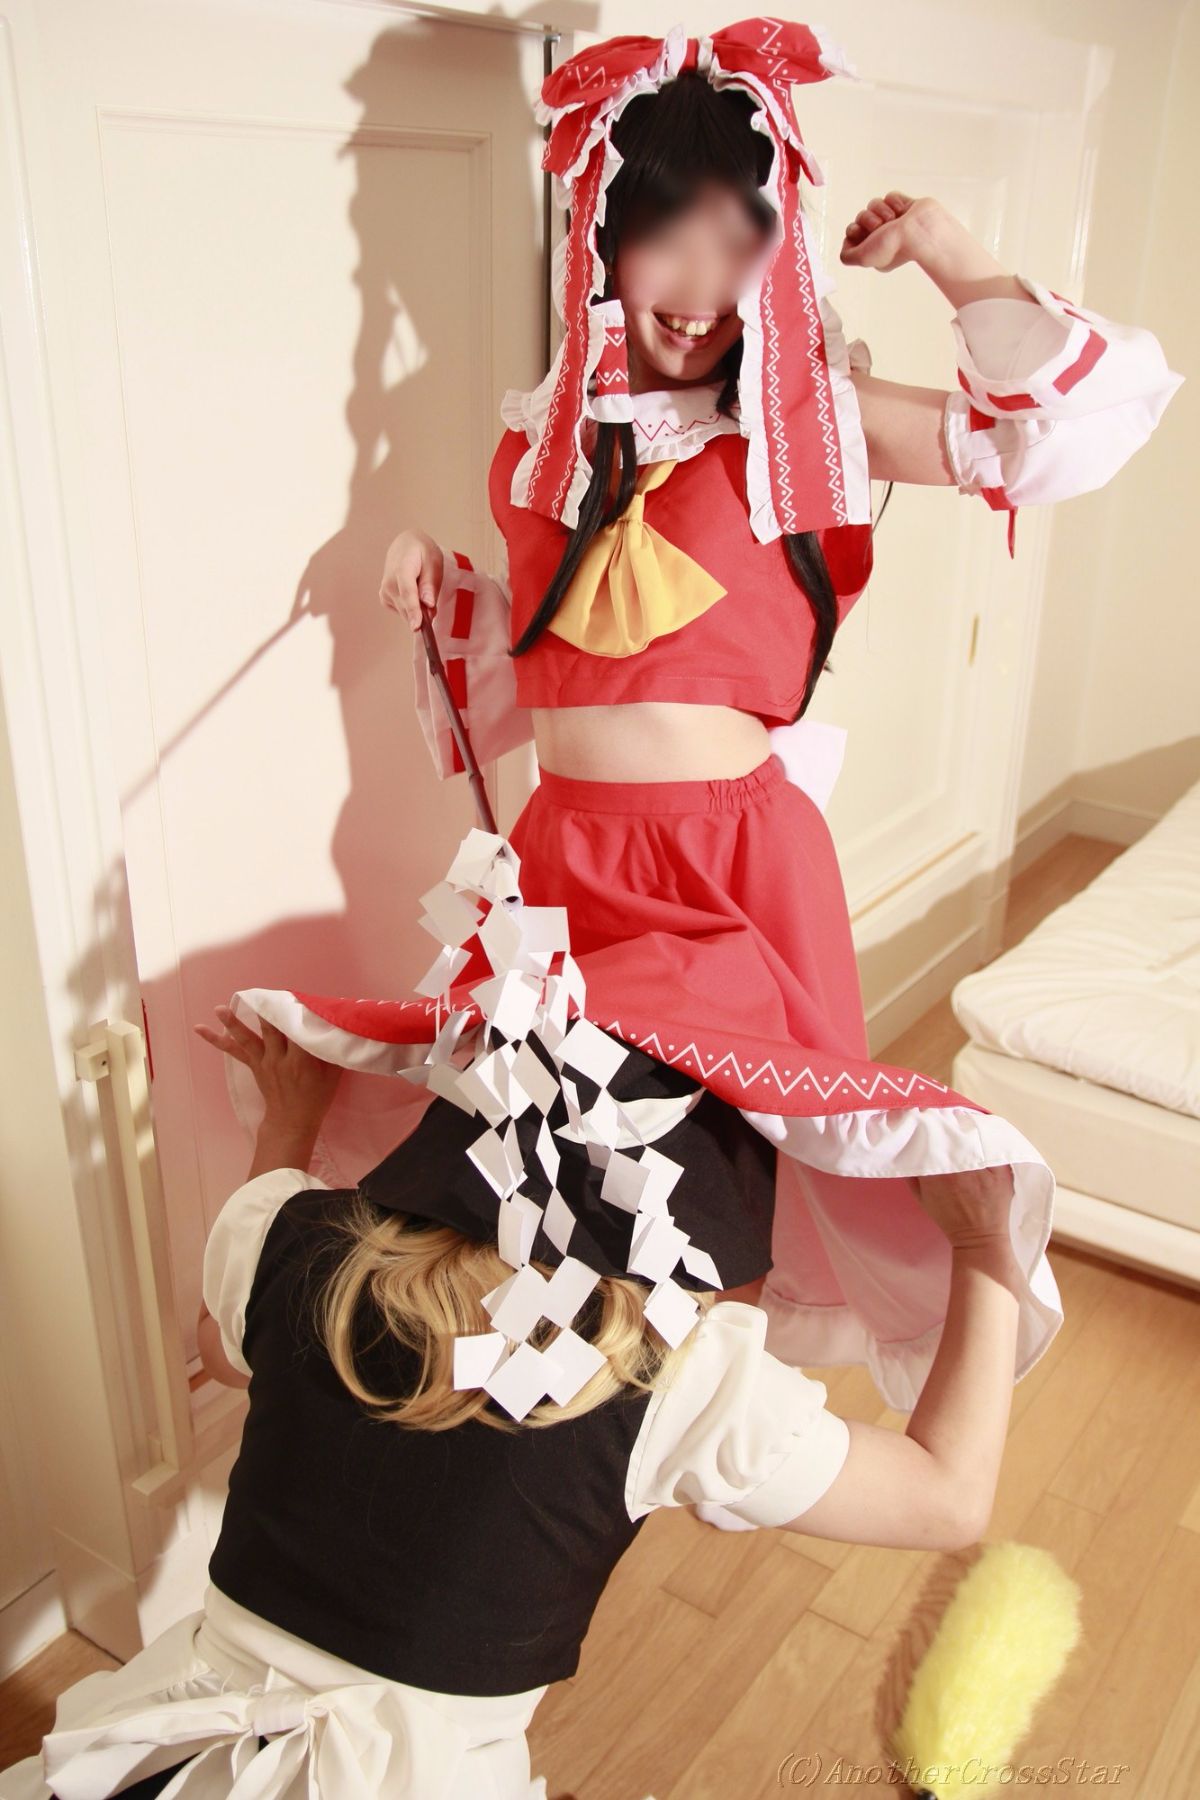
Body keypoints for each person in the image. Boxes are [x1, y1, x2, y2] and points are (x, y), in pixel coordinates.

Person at [219, 19, 1182, 1438]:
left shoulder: (811, 423)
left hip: (727, 871)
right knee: (539, 1163)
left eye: (738, 241)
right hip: (563, 858)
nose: (696, 285)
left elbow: (1054, 435)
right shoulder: (542, 441)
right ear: (600, 243)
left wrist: (947, 247)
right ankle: (565, 1438)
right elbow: (569, 655)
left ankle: (690, 1439)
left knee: (711, 1180)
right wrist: (444, 579)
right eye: (662, 238)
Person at [1, 1014, 1029, 1800]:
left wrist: (290, 1124)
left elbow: (220, 1355)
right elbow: (945, 1499)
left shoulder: (293, 1240)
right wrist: (986, 1249)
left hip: (189, 1732)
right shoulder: (676, 1377)